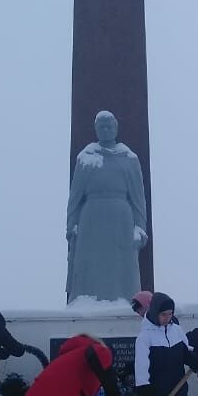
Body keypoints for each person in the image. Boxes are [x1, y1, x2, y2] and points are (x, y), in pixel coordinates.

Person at [66, 111, 149, 303]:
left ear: (116, 128)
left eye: (109, 126)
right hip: (91, 219)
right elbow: (75, 198)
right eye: (101, 127)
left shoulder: (129, 158)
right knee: (90, 266)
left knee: (121, 266)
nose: (105, 130)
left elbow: (138, 199)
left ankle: (125, 301)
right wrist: (72, 226)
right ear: (95, 129)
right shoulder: (86, 158)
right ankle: (86, 302)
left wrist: (140, 230)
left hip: (121, 219)